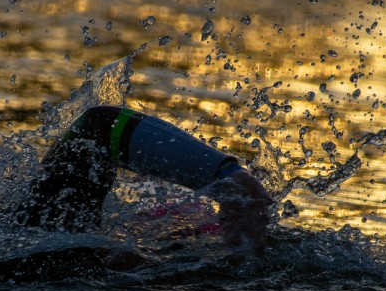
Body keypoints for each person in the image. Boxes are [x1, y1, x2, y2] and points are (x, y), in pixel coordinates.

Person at [20, 105, 272, 255]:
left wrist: (225, 176)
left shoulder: (36, 239)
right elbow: (98, 126)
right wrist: (226, 177)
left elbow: (96, 129)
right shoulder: (39, 258)